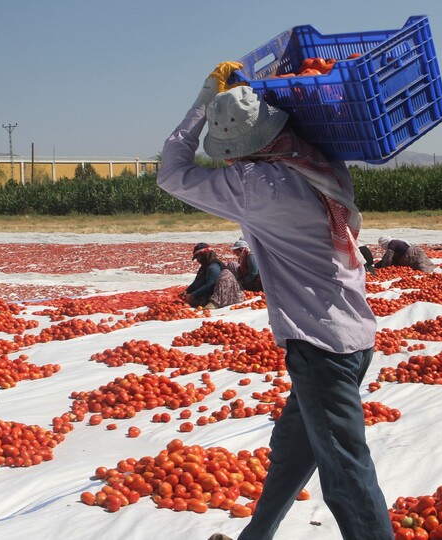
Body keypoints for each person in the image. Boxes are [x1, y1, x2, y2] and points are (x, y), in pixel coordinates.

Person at [157, 65, 393, 540]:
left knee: (346, 475)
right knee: (292, 449)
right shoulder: (319, 161)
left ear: (242, 151)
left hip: (320, 348)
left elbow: (172, 173)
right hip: (352, 336)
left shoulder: (256, 188)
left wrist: (204, 103)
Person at [182, 242, 245, 308]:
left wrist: (193, 295)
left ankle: (215, 303)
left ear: (204, 255)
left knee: (225, 274)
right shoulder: (204, 267)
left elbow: (211, 284)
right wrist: (187, 290)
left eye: (198, 257)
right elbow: (196, 282)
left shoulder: (213, 267)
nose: (198, 260)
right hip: (211, 291)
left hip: (222, 294)